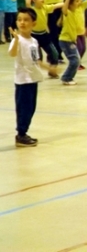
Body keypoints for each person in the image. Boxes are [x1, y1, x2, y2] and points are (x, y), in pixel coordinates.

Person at [8, 8, 44, 147]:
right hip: (23, 81)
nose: (22, 22)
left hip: (33, 79)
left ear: (34, 23)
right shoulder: (17, 40)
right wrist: (16, 40)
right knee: (23, 108)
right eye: (19, 20)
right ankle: (21, 135)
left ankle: (24, 132)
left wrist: (48, 68)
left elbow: (35, 59)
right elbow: (12, 54)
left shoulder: (34, 41)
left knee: (30, 108)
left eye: (26, 20)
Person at [26, 0, 63, 78]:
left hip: (44, 35)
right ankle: (35, 73)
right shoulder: (32, 10)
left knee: (55, 53)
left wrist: (67, 0)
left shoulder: (45, 8)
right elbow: (27, 3)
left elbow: (56, 5)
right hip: (34, 36)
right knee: (37, 57)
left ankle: (52, 71)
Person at [58, 0, 86, 85]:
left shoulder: (76, 12)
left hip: (71, 40)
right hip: (65, 40)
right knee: (74, 61)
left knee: (76, 60)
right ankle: (66, 78)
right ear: (70, 4)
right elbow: (64, 9)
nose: (79, 2)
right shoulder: (68, 12)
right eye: (76, 1)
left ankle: (68, 77)